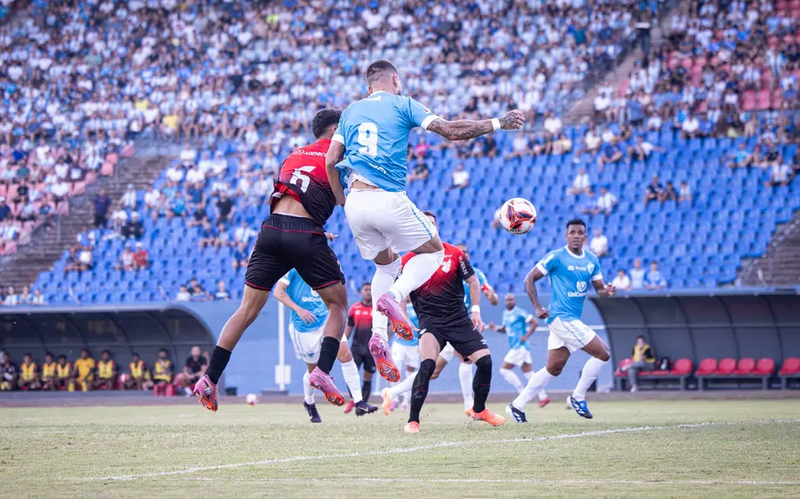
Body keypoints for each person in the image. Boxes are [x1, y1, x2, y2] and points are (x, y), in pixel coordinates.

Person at [325, 60, 524, 385]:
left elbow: (331, 160)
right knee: (433, 252)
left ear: (368, 87)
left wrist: (340, 200)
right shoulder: (403, 104)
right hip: (387, 196)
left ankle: (378, 332)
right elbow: (451, 131)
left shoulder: (350, 111)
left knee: (385, 267)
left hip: (355, 203)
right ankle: (395, 296)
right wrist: (498, 122)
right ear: (395, 80)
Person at [195, 109, 351, 412]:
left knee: (246, 310)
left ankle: (209, 379)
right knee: (339, 305)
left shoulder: (293, 154)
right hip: (305, 234)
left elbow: (295, 195)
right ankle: (322, 370)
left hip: (271, 231)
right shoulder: (337, 153)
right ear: (333, 131)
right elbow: (341, 198)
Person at [383, 211, 504, 433]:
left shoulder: (454, 254)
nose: (429, 227)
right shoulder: (409, 259)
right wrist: (403, 317)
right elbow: (399, 291)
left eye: (432, 224)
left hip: (459, 320)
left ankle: (479, 409)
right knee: (428, 366)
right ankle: (413, 420)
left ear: (436, 228)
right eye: (425, 224)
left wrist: (475, 310)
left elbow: (474, 282)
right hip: (431, 322)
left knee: (485, 362)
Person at [507, 219, 616, 423]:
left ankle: (517, 405)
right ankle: (578, 396)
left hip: (570, 319)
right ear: (566, 236)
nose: (576, 235)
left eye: (580, 232)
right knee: (604, 353)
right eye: (572, 232)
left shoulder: (592, 260)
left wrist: (606, 291)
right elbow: (528, 279)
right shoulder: (556, 257)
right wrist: (537, 307)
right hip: (561, 318)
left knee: (554, 368)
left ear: (585, 237)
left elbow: (599, 289)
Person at [273, 270, 377, 422]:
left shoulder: (322, 263)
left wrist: (340, 312)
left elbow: (337, 288)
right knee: (314, 371)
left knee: (346, 355)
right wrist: (298, 309)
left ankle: (359, 401)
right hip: (304, 327)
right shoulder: (293, 269)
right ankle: (309, 402)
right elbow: (278, 292)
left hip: (327, 320)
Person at [488, 294, 550, 407]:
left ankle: (521, 392)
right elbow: (505, 329)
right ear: (505, 302)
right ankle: (543, 396)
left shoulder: (520, 312)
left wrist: (526, 336)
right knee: (528, 373)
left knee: (504, 370)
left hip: (519, 346)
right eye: (507, 300)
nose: (509, 301)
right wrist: (495, 328)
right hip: (518, 347)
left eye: (511, 299)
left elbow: (535, 322)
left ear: (514, 301)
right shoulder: (505, 314)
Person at [344, 283, 378, 410]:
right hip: (356, 347)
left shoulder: (377, 309)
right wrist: (342, 343)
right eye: (366, 289)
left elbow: (387, 327)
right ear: (361, 292)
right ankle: (354, 399)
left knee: (367, 377)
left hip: (372, 349)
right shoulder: (354, 308)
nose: (368, 292)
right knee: (352, 373)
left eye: (370, 289)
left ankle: (362, 406)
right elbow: (349, 328)